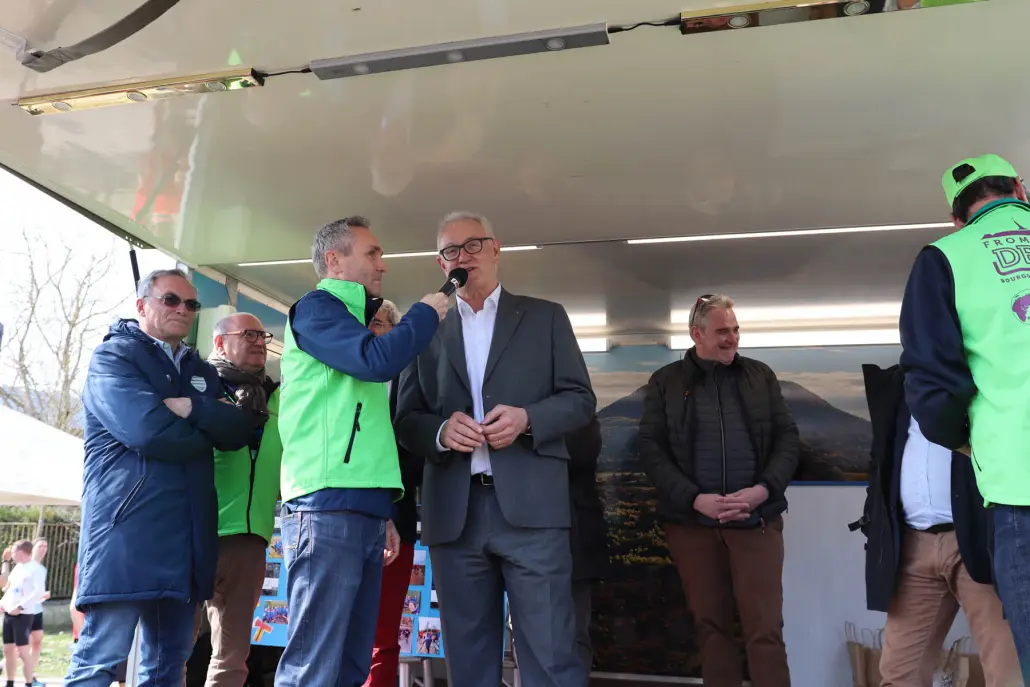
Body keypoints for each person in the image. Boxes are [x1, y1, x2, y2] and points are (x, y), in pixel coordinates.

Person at [395, 211, 596, 687]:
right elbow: (406, 419)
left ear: (496, 249)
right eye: (451, 250)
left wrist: (528, 418)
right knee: (468, 662)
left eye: (474, 244)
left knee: (552, 653)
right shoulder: (421, 329)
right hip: (455, 515)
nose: (463, 256)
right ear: (440, 263)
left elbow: (580, 400)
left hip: (534, 513)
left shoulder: (546, 317)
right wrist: (440, 431)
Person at [273, 217, 448, 687]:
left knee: (352, 662)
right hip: (325, 503)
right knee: (315, 664)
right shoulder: (316, 310)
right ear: (334, 261)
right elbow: (376, 361)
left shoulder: (350, 322)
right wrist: (424, 314)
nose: (382, 265)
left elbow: (363, 426)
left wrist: (382, 509)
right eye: (372, 254)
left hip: (359, 506)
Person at [65, 268, 254, 687]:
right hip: (126, 537)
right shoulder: (113, 357)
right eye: (171, 299)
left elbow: (239, 431)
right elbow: (148, 431)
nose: (182, 309)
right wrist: (206, 430)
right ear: (141, 305)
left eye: (191, 304)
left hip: (187, 543)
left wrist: (192, 408)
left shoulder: (201, 369)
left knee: (169, 668)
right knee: (99, 662)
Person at [900, 154, 1030, 680]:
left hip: (1018, 485)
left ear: (956, 218)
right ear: (1020, 187)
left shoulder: (946, 257)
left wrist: (966, 441)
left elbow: (934, 386)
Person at [638, 293, 799, 687]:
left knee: (765, 629)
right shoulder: (666, 382)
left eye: (736, 329)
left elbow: (787, 439)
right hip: (692, 525)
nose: (733, 338)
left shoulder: (760, 376)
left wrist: (763, 490)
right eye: (723, 331)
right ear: (697, 335)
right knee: (711, 628)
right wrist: (695, 499)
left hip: (757, 522)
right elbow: (651, 449)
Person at [853, 363, 1020, 687]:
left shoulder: (987, 374)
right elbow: (881, 459)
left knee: (1006, 674)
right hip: (913, 543)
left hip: (981, 541)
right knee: (898, 675)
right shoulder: (897, 384)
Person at [188, 313, 283, 687]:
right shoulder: (198, 387)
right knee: (174, 647)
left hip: (251, 539)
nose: (259, 342)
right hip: (197, 532)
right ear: (219, 343)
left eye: (262, 335)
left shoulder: (277, 397)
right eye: (248, 334)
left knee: (232, 657)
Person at [364, 300, 424, 687]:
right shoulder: (341, 375)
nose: (371, 330)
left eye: (379, 323)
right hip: (344, 518)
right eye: (366, 323)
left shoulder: (408, 379)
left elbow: (416, 456)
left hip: (396, 521)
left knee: (382, 636)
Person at [566, 415, 610, 675]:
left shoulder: (576, 408)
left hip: (574, 536)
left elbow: (581, 452)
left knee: (573, 634)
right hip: (506, 534)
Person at [2, 541, 43, 687]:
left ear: (21, 552)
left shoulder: (35, 569)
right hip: (9, 613)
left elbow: (38, 591)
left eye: (13, 552)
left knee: (23, 650)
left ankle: (29, 683)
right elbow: (9, 589)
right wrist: (3, 603)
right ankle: (9, 682)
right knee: (8, 650)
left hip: (23, 614)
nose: (12, 555)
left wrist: (21, 606)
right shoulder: (17, 568)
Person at [28, 540, 48, 687]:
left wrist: (43, 596)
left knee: (37, 643)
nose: (43, 548)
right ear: (33, 548)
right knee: (22, 645)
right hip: (26, 610)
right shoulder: (26, 566)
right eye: (40, 545)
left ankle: (31, 677)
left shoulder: (42, 568)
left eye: (45, 546)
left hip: (37, 610)